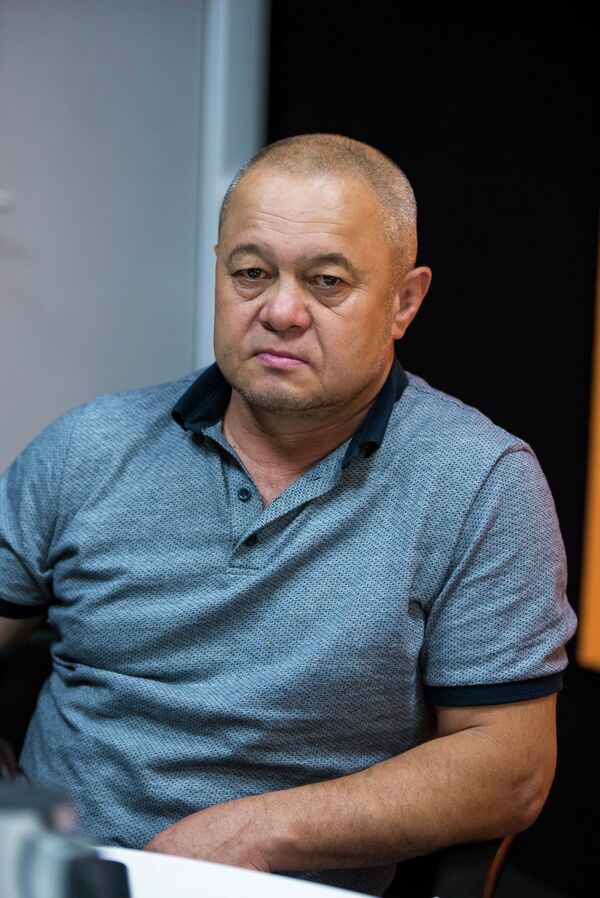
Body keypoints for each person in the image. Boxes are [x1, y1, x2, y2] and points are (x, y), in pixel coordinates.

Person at [0, 133, 577, 896]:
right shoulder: (90, 447)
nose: (279, 311)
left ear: (404, 302)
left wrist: (260, 832)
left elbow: (510, 768)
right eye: (251, 273)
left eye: (327, 282)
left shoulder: (479, 483)